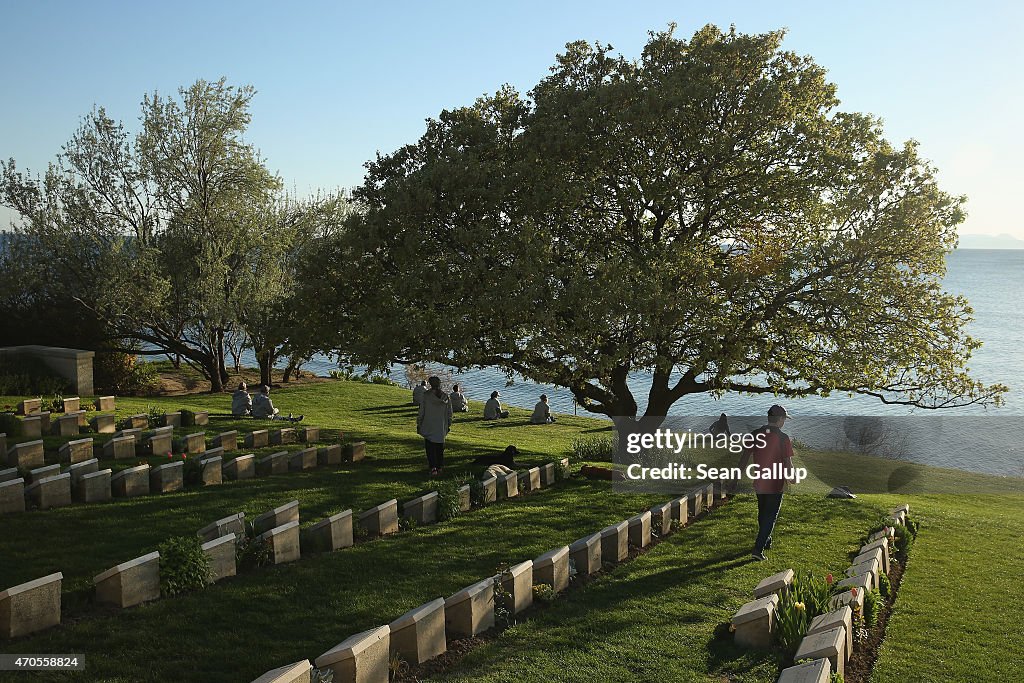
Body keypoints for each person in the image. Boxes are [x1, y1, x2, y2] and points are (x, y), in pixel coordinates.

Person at [733, 405, 796, 561]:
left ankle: (766, 541)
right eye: (784, 419)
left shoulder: (755, 434)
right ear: (780, 420)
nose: (784, 422)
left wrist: (734, 478)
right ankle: (758, 549)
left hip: (760, 482)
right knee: (770, 516)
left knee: (763, 513)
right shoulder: (783, 438)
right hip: (776, 483)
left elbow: (743, 459)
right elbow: (788, 462)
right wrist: (792, 477)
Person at [417, 376, 453, 475]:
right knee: (439, 447)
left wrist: (419, 422)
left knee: (430, 447)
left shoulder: (426, 396)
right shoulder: (445, 396)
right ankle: (439, 467)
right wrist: (448, 423)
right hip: (441, 425)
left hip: (429, 423)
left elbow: (421, 411)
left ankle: (433, 467)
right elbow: (449, 413)